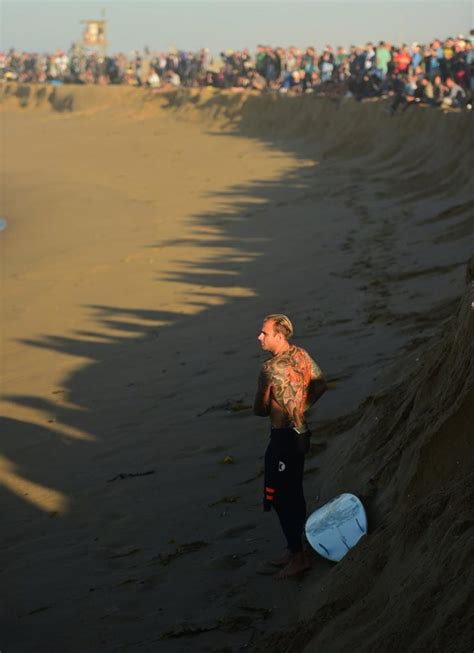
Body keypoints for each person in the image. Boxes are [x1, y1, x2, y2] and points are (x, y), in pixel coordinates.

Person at [253, 314, 327, 578]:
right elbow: (320, 385)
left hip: (283, 438)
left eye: (264, 333)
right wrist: (300, 408)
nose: (260, 337)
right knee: (294, 491)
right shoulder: (302, 355)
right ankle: (295, 546)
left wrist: (281, 406)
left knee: (278, 496)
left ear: (279, 336)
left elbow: (260, 409)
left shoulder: (269, 369)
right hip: (302, 434)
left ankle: (298, 557)